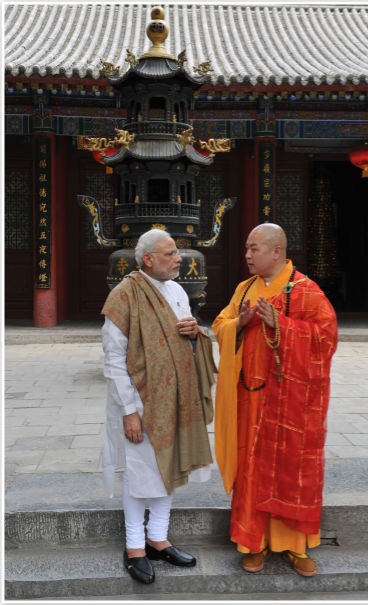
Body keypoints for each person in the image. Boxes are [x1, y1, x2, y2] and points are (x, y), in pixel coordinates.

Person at [212, 223, 338, 577]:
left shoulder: (305, 291)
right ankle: (254, 543)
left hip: (290, 404)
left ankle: (295, 546)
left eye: (254, 248)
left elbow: (326, 339)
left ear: (276, 252)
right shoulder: (244, 288)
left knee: (290, 469)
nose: (247, 255)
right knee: (252, 469)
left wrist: (282, 325)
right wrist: (240, 323)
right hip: (250, 399)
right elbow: (220, 324)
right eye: (247, 248)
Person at [101, 228, 214, 584]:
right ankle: (135, 547)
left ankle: (158, 538)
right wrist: (128, 412)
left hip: (176, 398)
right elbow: (114, 359)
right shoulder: (124, 296)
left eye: (177, 252)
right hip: (141, 401)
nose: (179, 259)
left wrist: (196, 334)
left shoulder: (178, 291)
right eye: (170, 253)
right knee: (140, 473)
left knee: (172, 466)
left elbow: (186, 340)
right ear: (148, 259)